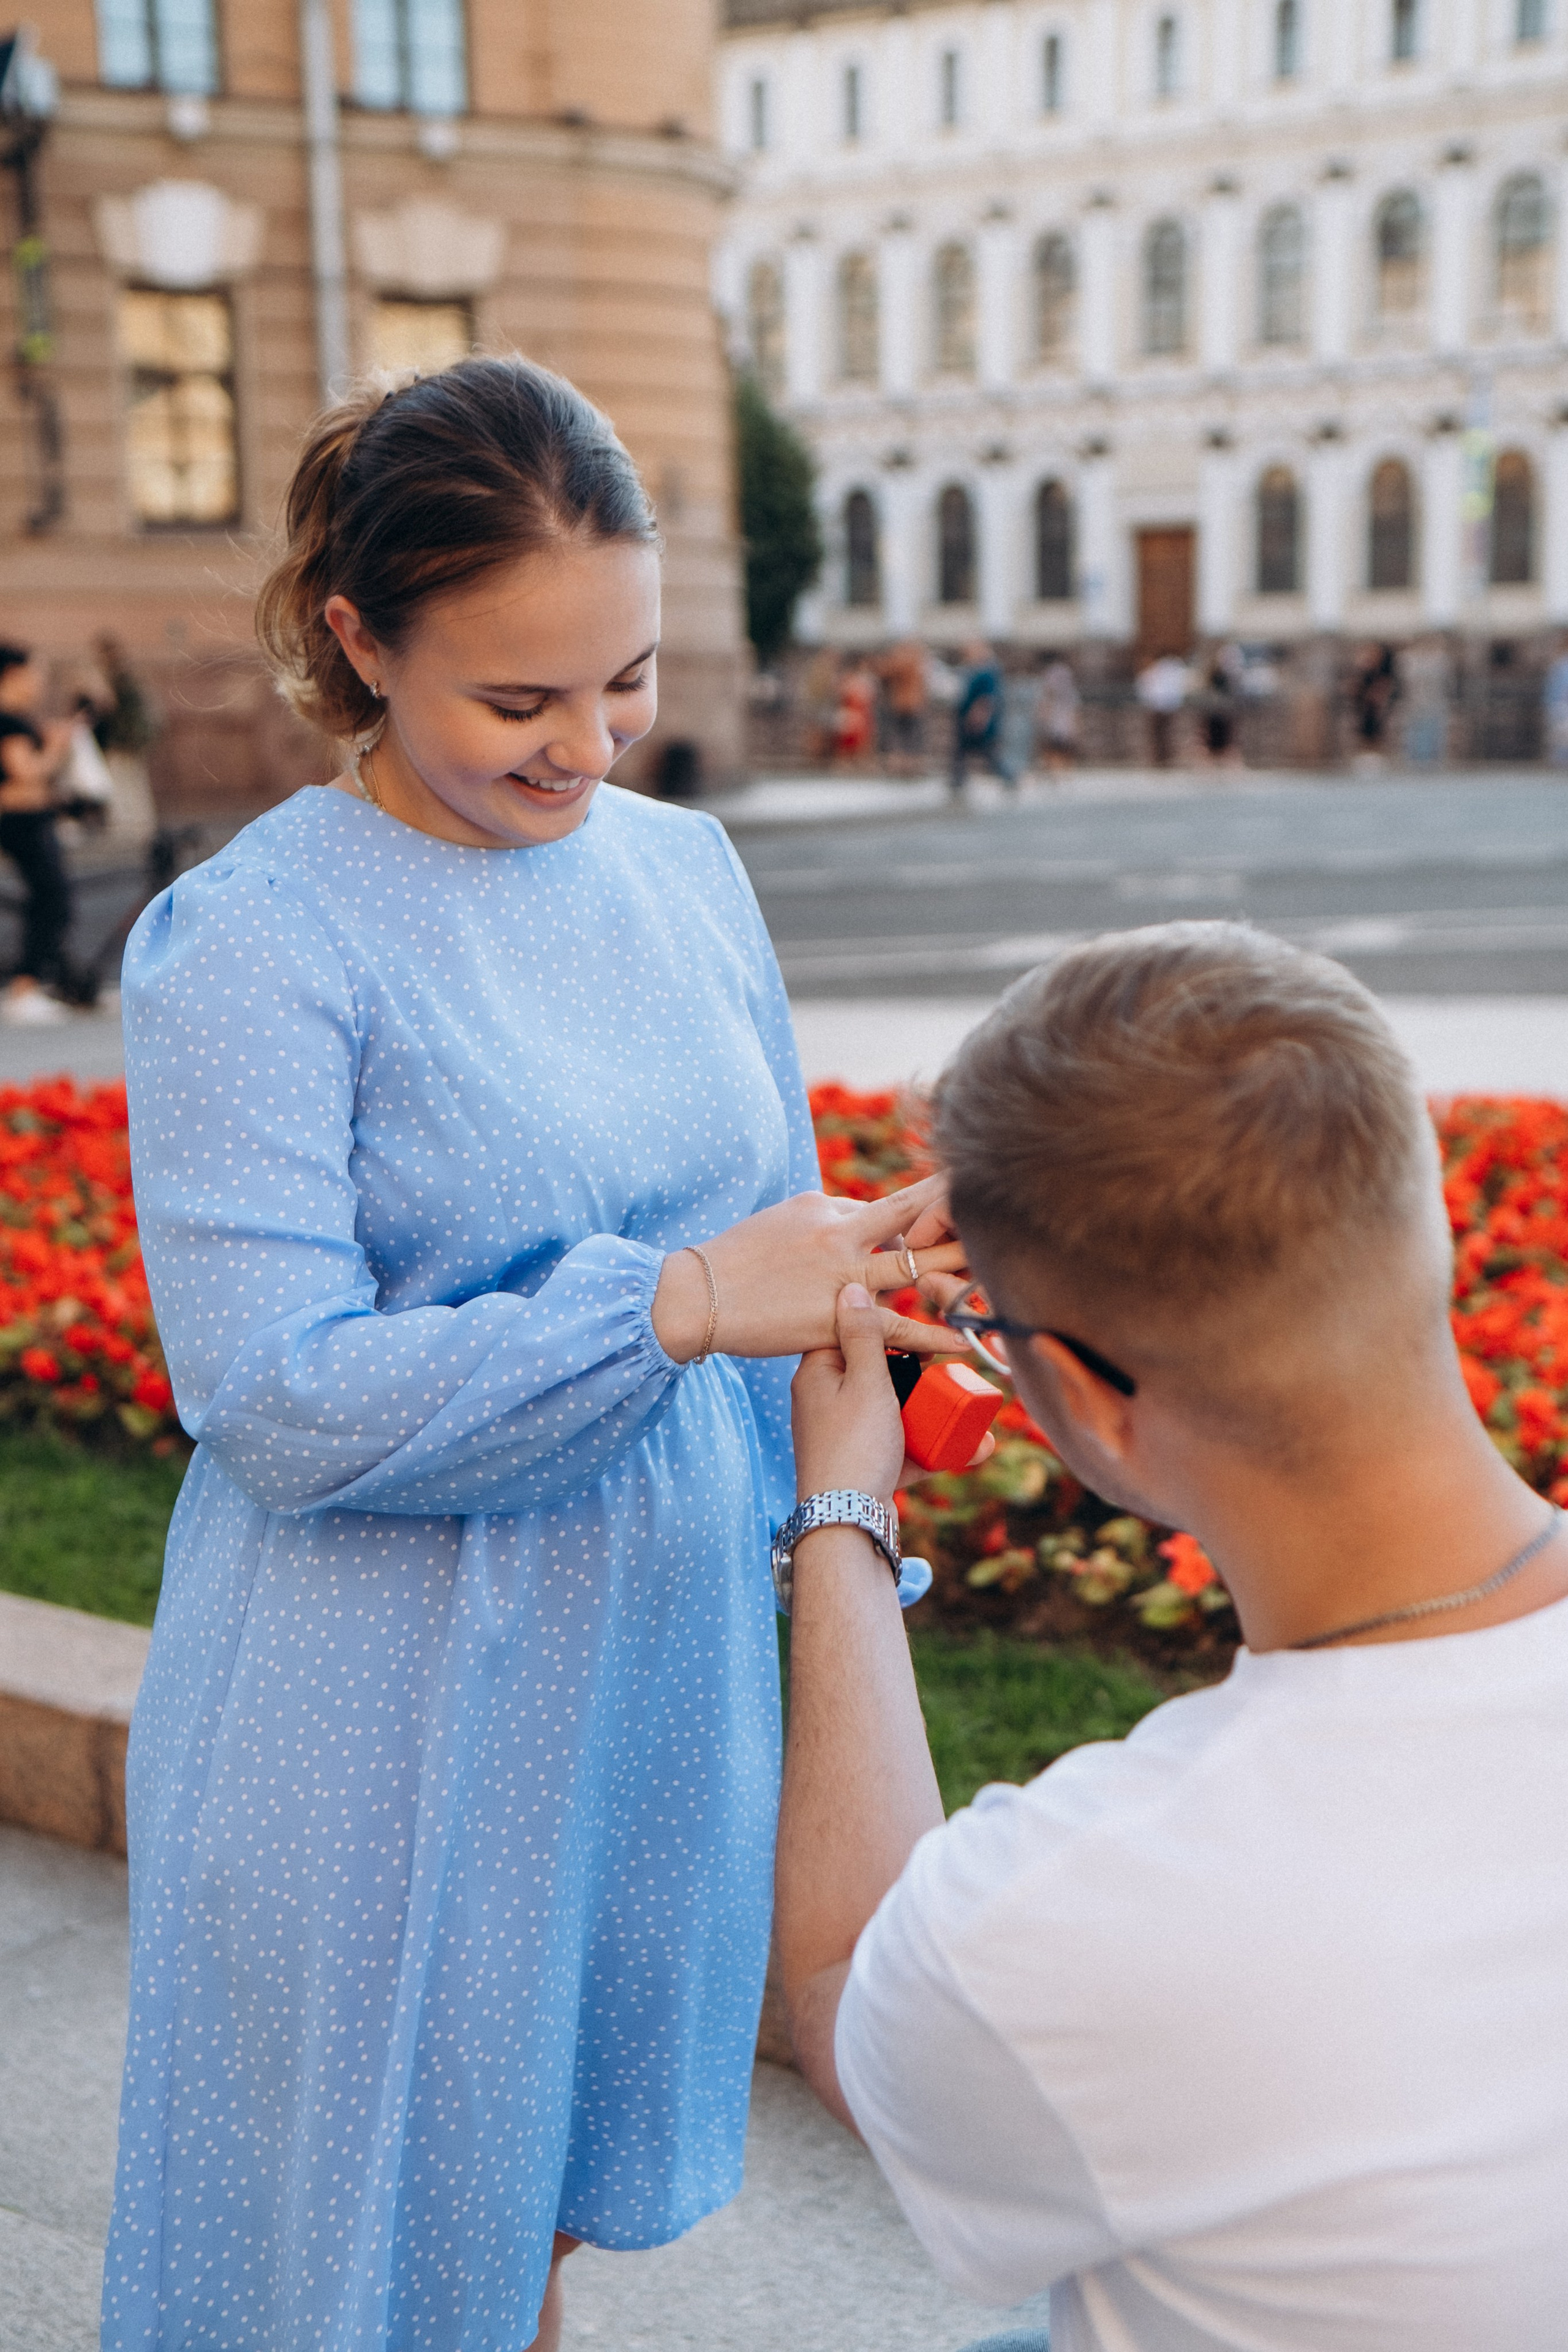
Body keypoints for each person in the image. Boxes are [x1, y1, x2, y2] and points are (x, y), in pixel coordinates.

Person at [104, 356, 963, 2352]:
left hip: (652, 1670)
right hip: (380, 1702)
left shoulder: (687, 872)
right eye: (519, 700)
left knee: (533, 2218)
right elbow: (275, 1396)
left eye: (629, 679)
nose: (589, 746)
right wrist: (671, 1304)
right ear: (358, 638)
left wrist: (886, 1326)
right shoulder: (256, 940)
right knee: (365, 2246)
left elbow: (775, 1242)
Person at [775, 921, 1568, 2352]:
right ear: (1423, 1220)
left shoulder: (1084, 1908)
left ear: (1081, 1392)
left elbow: (849, 1981)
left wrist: (840, 1510)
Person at [0, 640, 78, 1025]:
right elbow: (24, 772)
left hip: (27, 819)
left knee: (47, 897)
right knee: (51, 898)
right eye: (34, 672)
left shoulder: (16, 718)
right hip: (21, 820)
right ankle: (25, 987)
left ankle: (35, 982)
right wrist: (57, 747)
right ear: (13, 675)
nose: (39, 680)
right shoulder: (9, 721)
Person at [950, 638, 1014, 798]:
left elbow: (987, 698)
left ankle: (1009, 777)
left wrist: (979, 716)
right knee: (961, 752)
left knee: (988, 753)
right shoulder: (973, 669)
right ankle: (957, 781)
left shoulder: (986, 671)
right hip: (968, 718)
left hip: (978, 720)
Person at [880, 638, 930, 773]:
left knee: (902, 736)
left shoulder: (901, 660)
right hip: (912, 703)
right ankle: (908, 764)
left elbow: (886, 672)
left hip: (902, 703)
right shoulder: (918, 661)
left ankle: (902, 763)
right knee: (910, 736)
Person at [1134, 650, 1189, 767]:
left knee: (1167, 734)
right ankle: (1157, 759)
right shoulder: (1151, 673)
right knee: (1156, 735)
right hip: (1156, 708)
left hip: (1166, 707)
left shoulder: (1170, 670)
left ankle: (1167, 759)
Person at [1035, 653, 1079, 780]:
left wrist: (1074, 727)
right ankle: (1053, 772)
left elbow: (1074, 710)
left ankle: (1063, 772)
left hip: (1063, 725)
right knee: (1051, 747)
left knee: (1063, 748)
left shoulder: (1069, 693)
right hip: (1052, 724)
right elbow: (1044, 706)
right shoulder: (1046, 694)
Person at [1542, 632, 1568, 768]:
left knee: (1560, 743)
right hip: (1560, 709)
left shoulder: (1560, 666)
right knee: (1560, 743)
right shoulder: (1560, 666)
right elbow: (1553, 691)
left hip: (1560, 709)